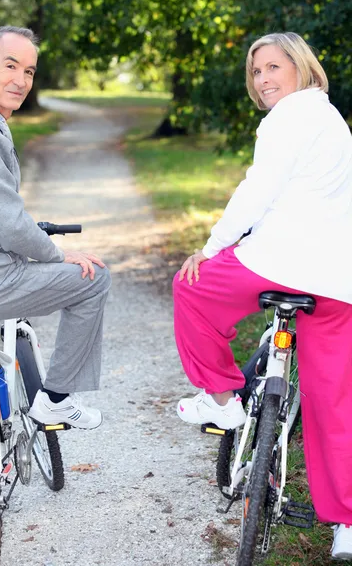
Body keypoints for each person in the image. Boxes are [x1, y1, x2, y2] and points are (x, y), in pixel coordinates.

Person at [173, 32, 352, 559]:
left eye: (274, 67)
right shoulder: (334, 121)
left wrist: (210, 247)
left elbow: (259, 189)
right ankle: (347, 525)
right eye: (256, 72)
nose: (264, 79)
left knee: (193, 288)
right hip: (337, 281)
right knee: (333, 401)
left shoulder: (288, 117)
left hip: (278, 262)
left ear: (300, 68)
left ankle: (223, 399)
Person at [0, 26, 111, 430]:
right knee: (93, 279)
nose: (21, 81)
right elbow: (10, 226)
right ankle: (56, 400)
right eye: (10, 66)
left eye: (30, 71)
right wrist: (59, 254)